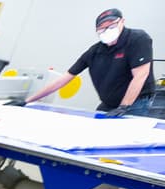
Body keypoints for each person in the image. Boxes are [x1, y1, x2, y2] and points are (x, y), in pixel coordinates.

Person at [10, 9, 154, 115]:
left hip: (135, 103)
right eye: (102, 28)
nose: (106, 30)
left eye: (111, 25)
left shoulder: (137, 39)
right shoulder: (95, 51)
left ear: (122, 22)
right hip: (109, 103)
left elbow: (141, 74)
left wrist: (124, 107)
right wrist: (28, 101)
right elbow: (64, 78)